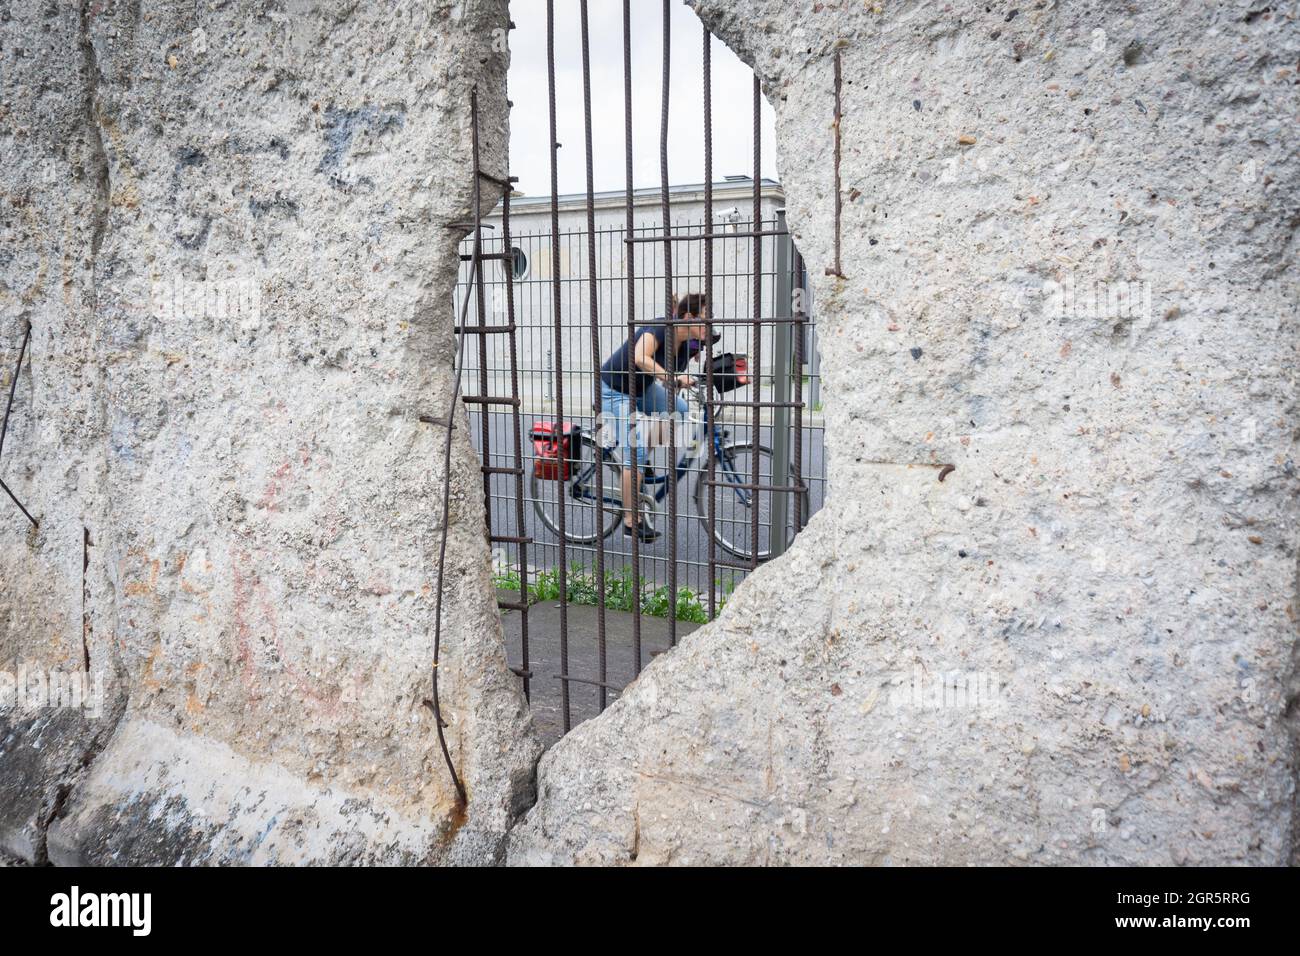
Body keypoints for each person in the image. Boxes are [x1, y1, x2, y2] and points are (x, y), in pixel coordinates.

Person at [599, 293, 714, 541]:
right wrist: (672, 379)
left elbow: (700, 351)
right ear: (687, 317)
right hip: (614, 390)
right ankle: (632, 521)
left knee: (679, 411)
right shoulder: (661, 328)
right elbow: (641, 357)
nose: (708, 325)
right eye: (704, 319)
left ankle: (641, 461)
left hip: (641, 388)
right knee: (636, 450)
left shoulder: (689, 342)